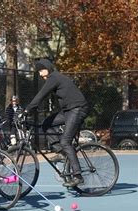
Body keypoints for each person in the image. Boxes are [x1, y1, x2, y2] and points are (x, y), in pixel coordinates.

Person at [22, 58, 91, 187]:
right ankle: (62, 152)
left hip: (77, 109)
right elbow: (43, 98)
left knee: (65, 141)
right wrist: (31, 109)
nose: (40, 74)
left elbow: (41, 95)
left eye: (41, 70)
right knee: (45, 124)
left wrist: (27, 110)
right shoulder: (53, 79)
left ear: (48, 69)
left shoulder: (54, 78)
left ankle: (78, 176)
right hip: (68, 110)